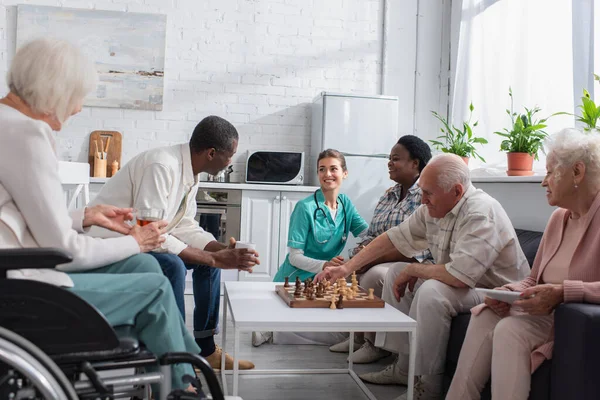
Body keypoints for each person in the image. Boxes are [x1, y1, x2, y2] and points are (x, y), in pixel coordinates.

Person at [0, 38, 200, 392]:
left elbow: (21, 216)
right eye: (77, 97)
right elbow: (65, 249)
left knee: (146, 267)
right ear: (53, 92)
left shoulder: (7, 122)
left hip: (15, 269)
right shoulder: (25, 133)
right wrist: (136, 241)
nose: (77, 109)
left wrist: (86, 215)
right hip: (18, 289)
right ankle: (184, 385)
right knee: (153, 283)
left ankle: (176, 371)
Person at [316, 153, 530, 400]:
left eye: (428, 193)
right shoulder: (435, 206)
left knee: (432, 292)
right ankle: (403, 369)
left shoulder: (481, 212)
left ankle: (428, 387)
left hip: (499, 293)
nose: (423, 199)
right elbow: (393, 237)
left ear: (457, 191)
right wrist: (346, 269)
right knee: (396, 272)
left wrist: (416, 269)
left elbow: (459, 276)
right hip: (469, 284)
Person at [88, 116, 259, 370]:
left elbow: (183, 224)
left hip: (140, 242)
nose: (231, 161)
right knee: (172, 265)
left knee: (207, 264)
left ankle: (206, 349)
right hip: (111, 245)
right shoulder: (161, 165)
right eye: (230, 155)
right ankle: (176, 357)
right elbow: (150, 233)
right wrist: (214, 257)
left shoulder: (191, 172)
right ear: (212, 153)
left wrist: (220, 250)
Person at [446, 129, 600, 400]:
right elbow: (534, 279)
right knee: (485, 312)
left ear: (577, 172)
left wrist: (562, 293)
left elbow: (558, 290)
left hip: (568, 319)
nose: (544, 181)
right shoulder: (558, 219)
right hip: (542, 312)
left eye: (551, 172)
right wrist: (508, 291)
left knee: (510, 329)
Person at [329, 135, 434, 361]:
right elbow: (374, 234)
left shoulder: (424, 196)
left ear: (415, 163)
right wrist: (356, 254)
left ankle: (374, 344)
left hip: (410, 260)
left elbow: (412, 245)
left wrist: (368, 261)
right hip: (382, 256)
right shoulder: (389, 194)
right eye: (389, 158)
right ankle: (357, 336)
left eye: (396, 159)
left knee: (372, 276)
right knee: (346, 274)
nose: (389, 163)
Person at [252, 149, 369, 347]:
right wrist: (325, 266)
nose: (327, 174)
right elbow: (295, 257)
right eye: (322, 169)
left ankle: (277, 328)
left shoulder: (346, 204)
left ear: (345, 173)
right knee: (337, 336)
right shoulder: (305, 207)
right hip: (296, 279)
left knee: (343, 334)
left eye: (333, 169)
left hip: (325, 280)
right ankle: (272, 329)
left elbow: (368, 234)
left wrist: (364, 251)